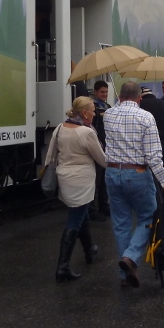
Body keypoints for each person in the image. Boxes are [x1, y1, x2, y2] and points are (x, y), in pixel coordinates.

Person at [103, 81, 164, 288]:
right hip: (137, 174)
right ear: (139, 98)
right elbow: (153, 156)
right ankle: (131, 258)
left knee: (121, 223)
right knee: (149, 216)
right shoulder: (145, 117)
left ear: (119, 97)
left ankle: (125, 273)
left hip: (112, 173)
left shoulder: (108, 115)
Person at [45, 96, 106, 282]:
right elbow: (102, 160)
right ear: (85, 113)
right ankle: (62, 267)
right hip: (82, 181)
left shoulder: (60, 127)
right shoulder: (86, 133)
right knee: (75, 219)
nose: (95, 114)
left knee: (82, 213)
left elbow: (51, 154)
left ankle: (89, 250)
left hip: (65, 178)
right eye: (93, 110)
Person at [89, 80, 111, 220]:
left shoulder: (108, 106)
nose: (104, 94)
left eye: (106, 92)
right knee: (95, 181)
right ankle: (92, 210)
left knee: (104, 180)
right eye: (102, 92)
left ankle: (104, 206)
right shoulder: (93, 107)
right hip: (97, 147)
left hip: (107, 147)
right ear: (96, 92)